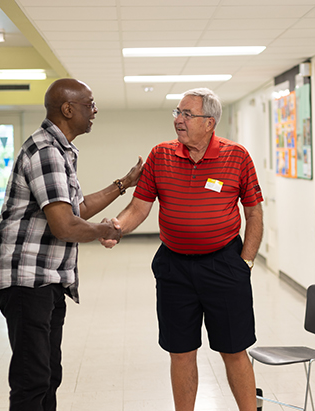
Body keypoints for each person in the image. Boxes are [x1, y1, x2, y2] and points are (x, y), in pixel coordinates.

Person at [101, 88, 263, 411]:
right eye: (177, 112)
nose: (179, 120)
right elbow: (139, 206)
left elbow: (255, 212)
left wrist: (245, 262)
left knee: (234, 349)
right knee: (181, 350)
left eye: (188, 115)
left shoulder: (237, 156)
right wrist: (117, 227)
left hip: (224, 265)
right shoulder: (161, 155)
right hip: (175, 267)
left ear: (210, 123)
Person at [0, 78, 143, 411]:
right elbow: (64, 225)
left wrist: (123, 184)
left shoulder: (59, 150)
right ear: (68, 109)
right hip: (26, 279)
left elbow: (76, 209)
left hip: (48, 279)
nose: (95, 110)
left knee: (48, 374)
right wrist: (107, 230)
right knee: (32, 378)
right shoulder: (45, 151)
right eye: (90, 104)